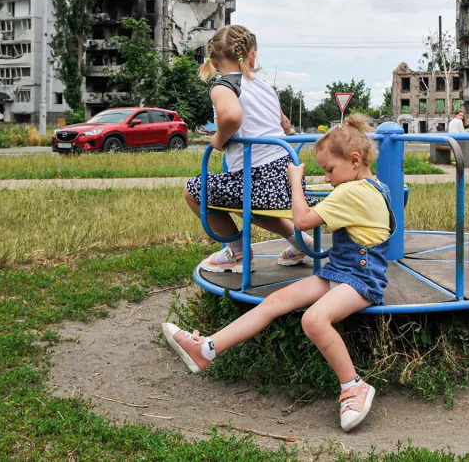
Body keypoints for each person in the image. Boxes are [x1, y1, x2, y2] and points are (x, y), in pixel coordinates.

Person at [163, 114, 392, 432]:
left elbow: (302, 221)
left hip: (362, 279)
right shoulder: (371, 186)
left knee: (313, 319)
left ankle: (354, 385)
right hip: (341, 271)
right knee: (274, 301)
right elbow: (327, 209)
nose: (327, 178)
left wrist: (295, 181)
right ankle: (206, 349)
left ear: (354, 161)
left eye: (329, 170)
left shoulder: (352, 192)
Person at [184, 24, 315, 273]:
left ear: (212, 60)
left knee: (193, 190)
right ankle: (302, 243)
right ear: (250, 55)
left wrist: (218, 139)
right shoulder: (265, 85)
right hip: (288, 179)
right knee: (255, 203)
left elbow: (232, 116)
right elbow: (285, 123)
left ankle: (237, 252)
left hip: (256, 181)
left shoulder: (223, 86)